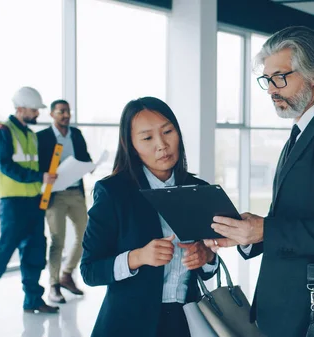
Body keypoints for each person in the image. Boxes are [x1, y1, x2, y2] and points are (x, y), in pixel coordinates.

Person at [206, 26, 314, 336]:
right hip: (286, 305)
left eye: (280, 77)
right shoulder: (301, 131)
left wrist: (266, 229)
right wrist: (250, 235)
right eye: (267, 80)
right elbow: (293, 218)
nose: (272, 89)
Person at [80, 97, 218, 337]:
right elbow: (90, 271)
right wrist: (138, 257)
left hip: (185, 323)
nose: (162, 145)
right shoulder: (113, 192)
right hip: (128, 324)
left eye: (168, 131)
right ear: (131, 145)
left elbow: (208, 268)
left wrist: (206, 257)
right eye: (147, 138)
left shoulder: (199, 189)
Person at [0, 87, 59, 314]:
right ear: (20, 109)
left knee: (35, 252)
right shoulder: (2, 131)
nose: (37, 114)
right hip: (13, 204)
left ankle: (32, 301)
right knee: (3, 253)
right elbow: (6, 166)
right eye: (33, 110)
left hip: (34, 201)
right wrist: (40, 177)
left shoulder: (30, 134)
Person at [37, 99, 92, 303]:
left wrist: (90, 165)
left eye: (68, 111)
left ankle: (67, 275)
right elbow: (38, 166)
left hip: (76, 192)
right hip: (55, 195)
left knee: (85, 235)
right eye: (61, 112)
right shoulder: (42, 137)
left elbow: (85, 157)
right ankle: (53, 285)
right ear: (52, 114)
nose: (66, 115)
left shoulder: (76, 134)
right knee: (57, 240)